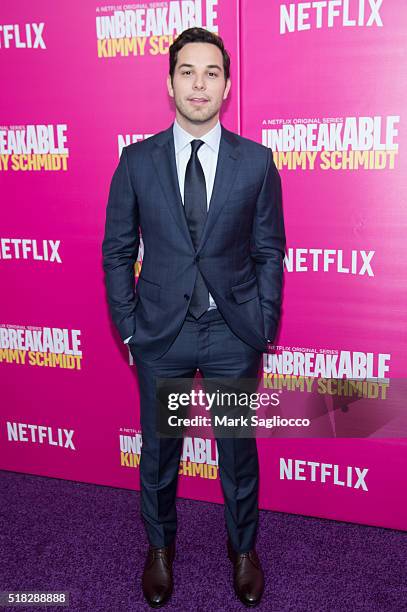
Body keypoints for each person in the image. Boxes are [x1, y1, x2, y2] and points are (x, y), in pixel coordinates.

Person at [102, 27, 285, 608]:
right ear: (170, 82)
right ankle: (159, 550)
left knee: (237, 452)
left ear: (227, 86)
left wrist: (263, 322)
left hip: (232, 335)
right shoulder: (136, 161)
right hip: (163, 335)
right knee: (161, 452)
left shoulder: (256, 162)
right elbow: (116, 251)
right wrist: (131, 328)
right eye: (187, 71)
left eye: (211, 72)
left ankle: (244, 550)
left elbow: (269, 251)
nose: (198, 83)